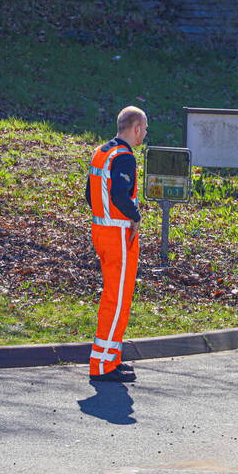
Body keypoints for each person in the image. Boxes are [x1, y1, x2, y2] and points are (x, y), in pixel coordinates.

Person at [84, 106, 148, 383]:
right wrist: (135, 216)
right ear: (135, 128)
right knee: (117, 298)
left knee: (116, 296)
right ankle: (102, 365)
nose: (144, 134)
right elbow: (120, 194)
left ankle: (111, 357)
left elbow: (90, 194)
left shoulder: (102, 151)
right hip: (118, 235)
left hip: (102, 229)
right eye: (144, 129)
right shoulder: (124, 157)